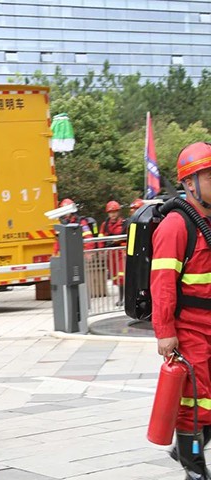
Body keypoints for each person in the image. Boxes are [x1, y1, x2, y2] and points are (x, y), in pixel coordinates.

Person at [153, 142, 211, 479]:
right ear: (190, 183)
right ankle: (195, 470)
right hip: (190, 330)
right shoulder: (175, 226)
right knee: (194, 403)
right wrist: (165, 333)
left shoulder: (208, 222)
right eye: (210, 176)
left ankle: (186, 449)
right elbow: (162, 285)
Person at [99, 200, 126, 306]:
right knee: (116, 278)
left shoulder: (124, 223)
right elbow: (101, 238)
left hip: (121, 252)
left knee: (122, 276)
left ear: (118, 212)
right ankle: (121, 298)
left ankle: (123, 298)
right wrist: (101, 250)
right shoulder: (105, 225)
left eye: (115, 212)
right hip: (111, 254)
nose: (113, 214)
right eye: (111, 212)